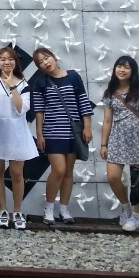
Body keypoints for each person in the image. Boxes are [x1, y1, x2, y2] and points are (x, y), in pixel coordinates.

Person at [30, 47, 93, 225]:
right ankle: (49, 208)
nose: (45, 63)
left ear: (54, 57)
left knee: (68, 172)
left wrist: (87, 126)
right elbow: (39, 110)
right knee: (58, 170)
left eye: (46, 58)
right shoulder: (40, 82)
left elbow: (83, 101)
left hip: (74, 132)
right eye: (40, 62)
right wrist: (39, 134)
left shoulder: (73, 76)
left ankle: (64, 209)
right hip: (53, 131)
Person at [0, 47, 38, 230]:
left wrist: (12, 86)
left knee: (17, 173)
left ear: (15, 62)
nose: (7, 62)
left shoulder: (24, 84)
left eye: (10, 59)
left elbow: (20, 109)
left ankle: (17, 211)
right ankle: (3, 210)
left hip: (17, 132)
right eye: (3, 59)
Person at [100, 55, 139, 232]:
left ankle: (136, 217)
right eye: (119, 66)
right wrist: (103, 144)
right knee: (113, 176)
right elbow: (107, 121)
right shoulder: (110, 93)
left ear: (133, 71)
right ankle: (126, 208)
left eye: (126, 67)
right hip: (117, 139)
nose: (122, 70)